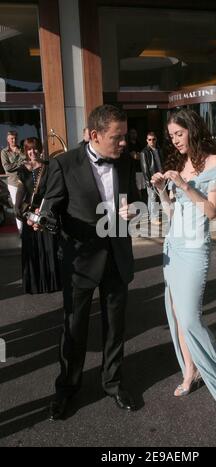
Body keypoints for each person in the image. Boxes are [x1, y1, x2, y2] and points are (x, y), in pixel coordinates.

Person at [29, 105, 139, 420]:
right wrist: (46, 219)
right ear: (94, 135)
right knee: (74, 329)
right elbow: (50, 207)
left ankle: (113, 383)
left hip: (118, 256)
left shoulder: (127, 163)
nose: (123, 144)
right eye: (116, 138)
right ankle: (67, 389)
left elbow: (134, 199)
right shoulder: (63, 164)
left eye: (124, 137)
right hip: (80, 261)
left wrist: (134, 210)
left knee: (115, 327)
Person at [151, 108, 216, 403]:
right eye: (171, 136)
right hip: (173, 247)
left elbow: (211, 210)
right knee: (178, 317)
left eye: (179, 134)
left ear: (192, 129)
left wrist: (183, 185)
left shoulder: (215, 163)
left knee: (191, 318)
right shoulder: (180, 162)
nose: (175, 140)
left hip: (194, 250)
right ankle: (189, 372)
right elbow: (172, 213)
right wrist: (162, 193)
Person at [15, 137, 61, 294]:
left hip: (46, 213)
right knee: (33, 250)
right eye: (29, 149)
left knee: (49, 248)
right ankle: (36, 285)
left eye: (34, 148)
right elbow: (20, 196)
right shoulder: (22, 170)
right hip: (30, 216)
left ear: (40, 149)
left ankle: (52, 283)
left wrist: (46, 210)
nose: (32, 152)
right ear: (25, 151)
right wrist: (25, 212)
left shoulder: (49, 167)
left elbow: (53, 190)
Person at [1, 130, 26, 232]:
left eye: (15, 138)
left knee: (26, 205)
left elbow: (26, 159)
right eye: (11, 138)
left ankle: (27, 230)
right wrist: (20, 164)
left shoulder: (21, 149)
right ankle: (21, 230)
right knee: (17, 206)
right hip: (13, 183)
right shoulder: (4, 152)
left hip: (24, 181)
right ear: (8, 139)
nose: (13, 140)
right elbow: (7, 168)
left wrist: (19, 152)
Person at [140, 131, 163, 225]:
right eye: (149, 139)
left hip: (160, 176)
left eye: (153, 139)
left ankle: (151, 216)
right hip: (152, 178)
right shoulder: (144, 152)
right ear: (147, 140)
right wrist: (148, 181)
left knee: (152, 197)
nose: (152, 141)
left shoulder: (159, 149)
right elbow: (144, 168)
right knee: (153, 197)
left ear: (156, 140)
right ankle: (153, 218)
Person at [128, 128, 146, 201]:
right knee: (137, 188)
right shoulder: (128, 145)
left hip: (141, 168)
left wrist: (138, 155)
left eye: (135, 133)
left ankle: (143, 201)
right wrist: (137, 155)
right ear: (129, 134)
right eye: (132, 133)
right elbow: (135, 156)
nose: (134, 135)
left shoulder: (139, 143)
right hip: (133, 169)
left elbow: (142, 155)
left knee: (143, 187)